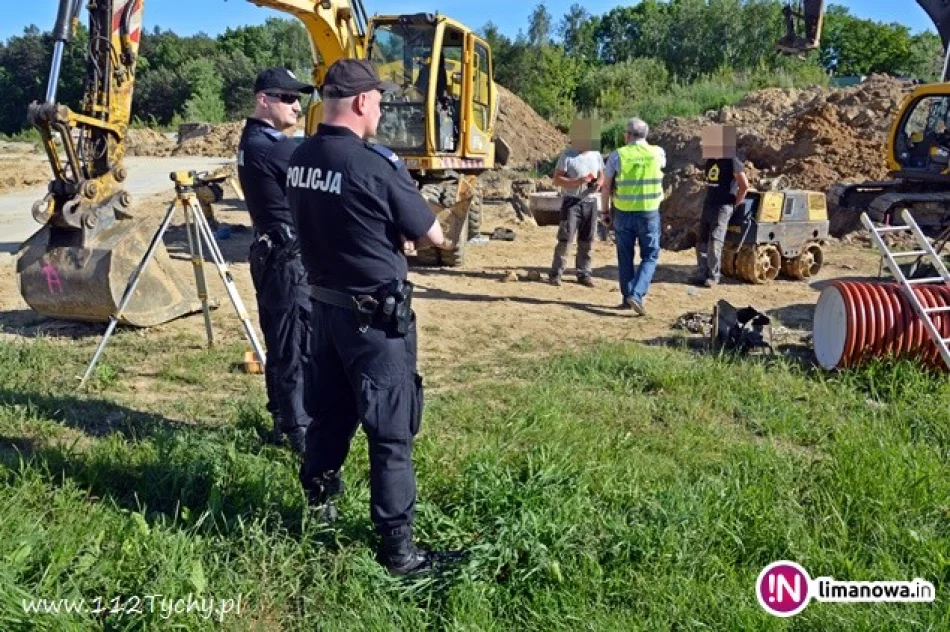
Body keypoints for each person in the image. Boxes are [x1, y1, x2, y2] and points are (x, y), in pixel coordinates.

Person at [287, 59, 457, 576]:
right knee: (390, 431)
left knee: (329, 417)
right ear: (361, 102)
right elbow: (433, 236)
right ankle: (398, 550)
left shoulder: (300, 157)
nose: (381, 110)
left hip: (325, 311)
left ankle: (320, 509)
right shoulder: (374, 164)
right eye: (379, 101)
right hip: (374, 323)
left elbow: (340, 220)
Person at [236, 67, 315, 454]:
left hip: (271, 254)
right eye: (288, 98)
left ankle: (284, 417)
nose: (297, 107)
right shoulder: (273, 146)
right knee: (296, 344)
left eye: (298, 99)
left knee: (282, 341)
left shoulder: (252, 141)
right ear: (264, 100)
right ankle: (299, 433)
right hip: (287, 260)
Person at [601, 118, 666, 316]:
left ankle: (627, 296)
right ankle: (636, 295)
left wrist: (604, 211)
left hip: (623, 213)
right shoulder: (658, 153)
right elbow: (661, 166)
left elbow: (606, 186)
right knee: (650, 255)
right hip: (649, 213)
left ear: (628, 135)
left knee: (625, 256)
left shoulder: (617, 155)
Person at [548, 121, 605, 288]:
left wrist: (598, 183)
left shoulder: (595, 155)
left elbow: (602, 174)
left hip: (590, 201)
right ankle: (556, 272)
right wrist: (577, 182)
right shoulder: (568, 155)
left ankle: (584, 273)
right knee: (566, 239)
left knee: (587, 239)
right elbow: (557, 180)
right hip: (571, 202)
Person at [696, 143, 749, 287]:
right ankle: (701, 273)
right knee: (702, 241)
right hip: (709, 204)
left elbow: (744, 186)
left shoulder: (732, 161)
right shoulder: (711, 161)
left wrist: (734, 205)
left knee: (715, 241)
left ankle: (713, 276)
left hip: (723, 206)